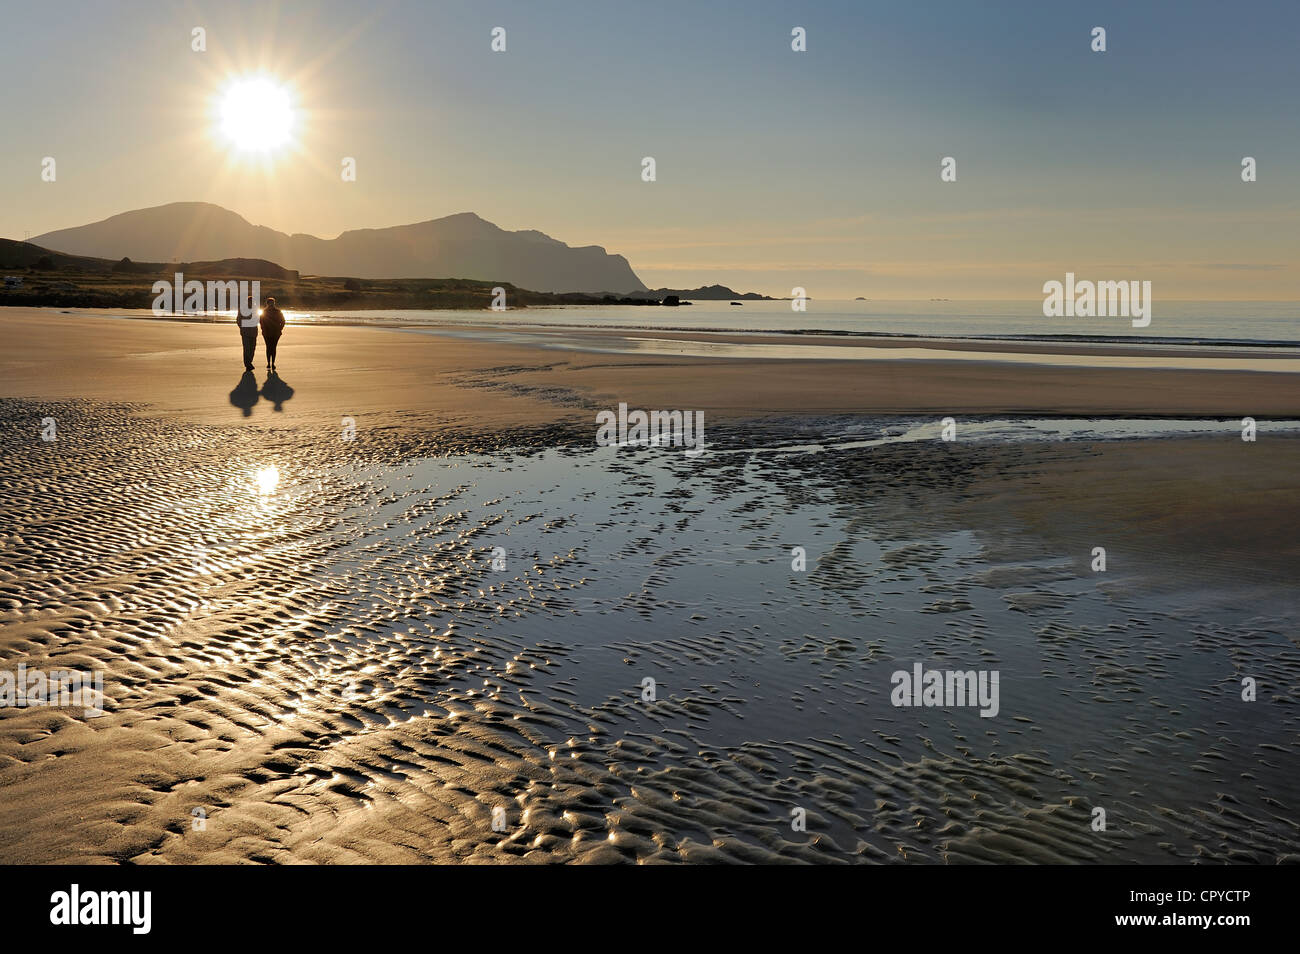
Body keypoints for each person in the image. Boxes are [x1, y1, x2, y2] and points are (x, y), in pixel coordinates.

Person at [260, 296, 286, 371]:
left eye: (272, 303)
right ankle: (269, 363)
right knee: (269, 348)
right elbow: (261, 322)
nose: (271, 304)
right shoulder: (265, 312)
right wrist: (264, 329)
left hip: (275, 333)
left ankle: (272, 363)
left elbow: (283, 321)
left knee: (273, 348)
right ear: (267, 304)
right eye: (270, 303)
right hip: (267, 333)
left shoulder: (277, 311)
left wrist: (280, 329)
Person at [238, 296, 260, 372]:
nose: (252, 303)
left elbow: (258, 319)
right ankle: (248, 364)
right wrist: (242, 328)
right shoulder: (242, 309)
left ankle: (249, 362)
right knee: (247, 348)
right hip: (245, 332)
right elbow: (238, 320)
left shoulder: (256, 309)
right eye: (250, 301)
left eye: (252, 301)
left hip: (254, 332)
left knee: (252, 348)